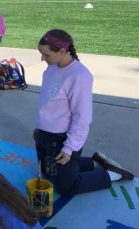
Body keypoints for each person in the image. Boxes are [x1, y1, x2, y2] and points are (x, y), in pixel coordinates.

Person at [34, 29, 134, 196]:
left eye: (46, 55)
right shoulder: (50, 69)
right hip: (44, 135)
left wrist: (69, 148)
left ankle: (112, 174)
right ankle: (93, 163)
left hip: (61, 139)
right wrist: (39, 127)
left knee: (66, 187)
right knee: (47, 173)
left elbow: (82, 116)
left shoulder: (79, 76)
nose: (42, 58)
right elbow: (47, 103)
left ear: (63, 51)